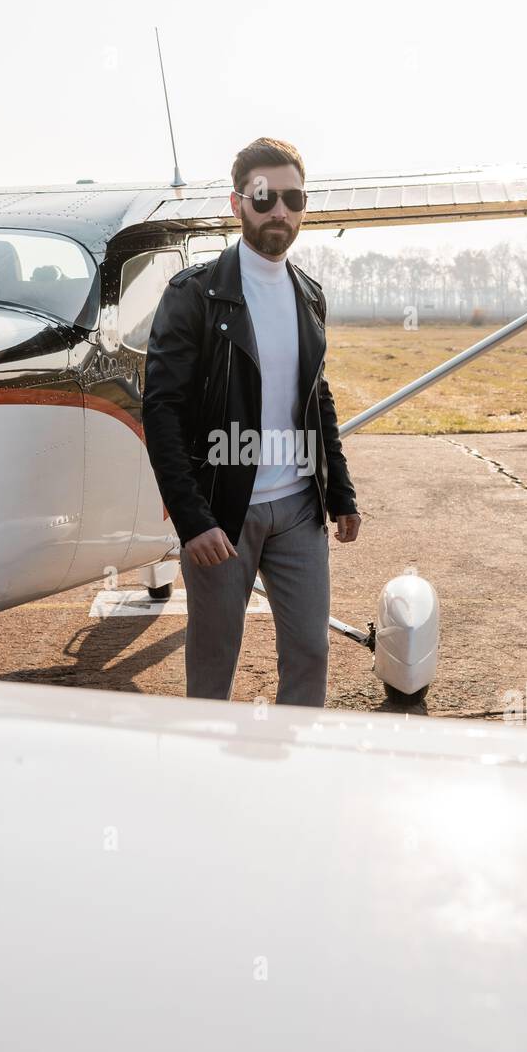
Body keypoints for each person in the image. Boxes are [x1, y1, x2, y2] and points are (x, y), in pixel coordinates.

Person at [141, 136, 361, 707]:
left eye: (293, 198)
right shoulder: (192, 295)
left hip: (299, 509)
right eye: (264, 198)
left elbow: (318, 396)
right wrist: (192, 521)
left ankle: (294, 781)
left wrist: (340, 490)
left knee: (311, 653)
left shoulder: (309, 294)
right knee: (214, 666)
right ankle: (210, 782)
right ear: (237, 204)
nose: (279, 211)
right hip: (222, 514)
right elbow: (161, 410)